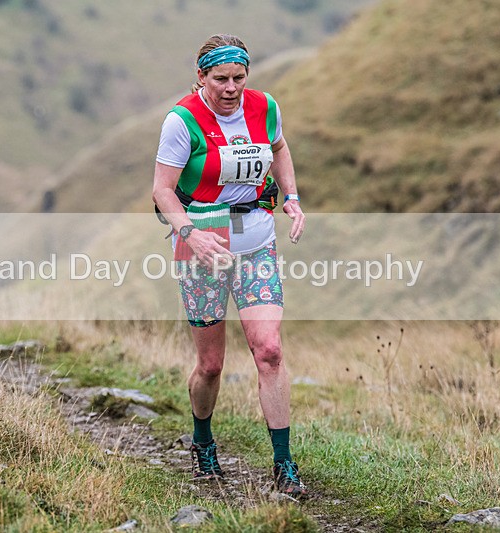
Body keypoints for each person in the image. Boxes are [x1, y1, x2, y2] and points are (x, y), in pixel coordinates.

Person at [152, 34, 307, 497]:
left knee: (270, 350)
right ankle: (202, 442)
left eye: (239, 77)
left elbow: (279, 148)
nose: (231, 88)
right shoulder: (182, 120)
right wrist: (189, 234)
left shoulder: (265, 107)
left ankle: (284, 464)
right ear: (201, 77)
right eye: (220, 78)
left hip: (256, 242)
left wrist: (291, 196)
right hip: (202, 245)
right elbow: (162, 190)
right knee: (211, 365)